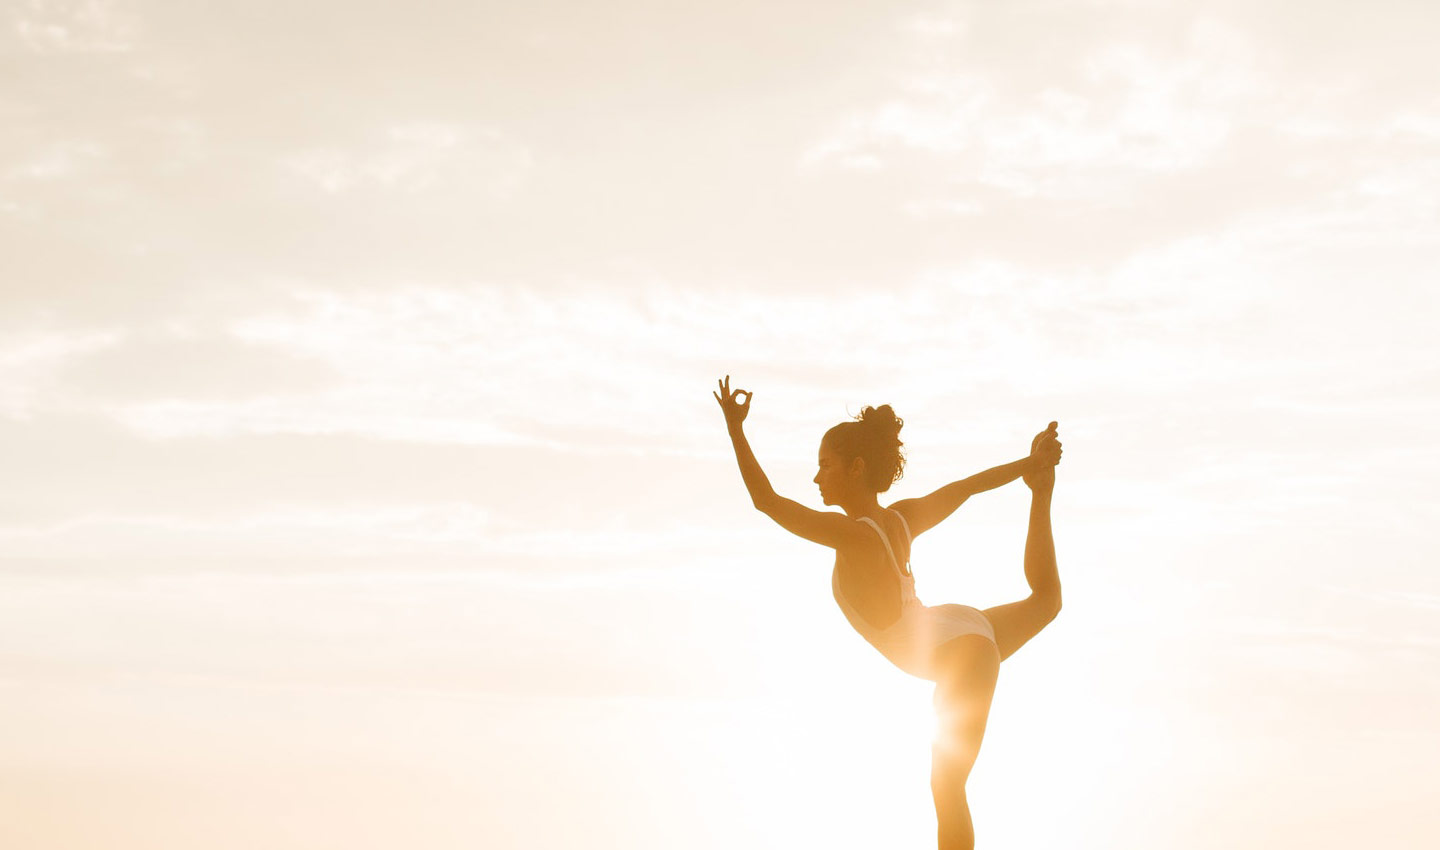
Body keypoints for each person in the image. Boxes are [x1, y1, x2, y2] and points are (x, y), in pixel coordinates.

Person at [713, 375, 1063, 850]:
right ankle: (1042, 493)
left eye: (825, 465)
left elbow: (766, 501)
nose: (816, 477)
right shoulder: (900, 518)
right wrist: (1032, 467)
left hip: (958, 649)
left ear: (856, 468)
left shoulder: (854, 535)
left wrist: (736, 429)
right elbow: (966, 487)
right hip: (957, 627)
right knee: (1046, 602)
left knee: (946, 786)